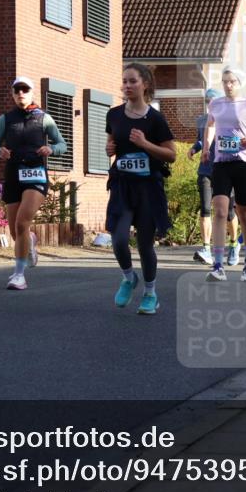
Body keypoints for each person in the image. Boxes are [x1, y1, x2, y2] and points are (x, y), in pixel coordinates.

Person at [105, 63, 176, 315]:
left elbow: (171, 155)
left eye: (132, 81)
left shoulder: (155, 119)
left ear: (145, 84)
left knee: (145, 245)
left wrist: (145, 144)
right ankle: (128, 277)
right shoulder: (114, 115)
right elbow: (111, 143)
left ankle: (150, 293)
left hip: (148, 188)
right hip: (122, 186)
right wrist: (109, 149)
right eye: (124, 81)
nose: (127, 86)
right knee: (119, 239)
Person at [0, 75, 68, 290]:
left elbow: (62, 144)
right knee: (16, 232)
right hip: (13, 174)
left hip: (35, 174)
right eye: (17, 90)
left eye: (25, 90)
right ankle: (30, 240)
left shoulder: (44, 118)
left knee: (22, 223)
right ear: (13, 94)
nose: (21, 94)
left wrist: (51, 149)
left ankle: (19, 275)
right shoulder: (5, 119)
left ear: (32, 93)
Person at [202, 67, 246, 281]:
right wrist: (206, 148)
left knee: (244, 212)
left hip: (243, 163)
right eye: (225, 81)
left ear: (240, 83)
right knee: (220, 211)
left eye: (232, 82)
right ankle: (218, 265)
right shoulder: (216, 104)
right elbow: (210, 125)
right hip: (221, 163)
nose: (228, 85)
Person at [189, 89, 240, 266]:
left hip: (225, 170)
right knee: (205, 209)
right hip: (206, 170)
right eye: (207, 101)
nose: (210, 103)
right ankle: (206, 249)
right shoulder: (202, 120)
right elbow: (201, 140)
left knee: (229, 212)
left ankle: (233, 244)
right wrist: (194, 148)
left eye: (213, 100)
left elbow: (238, 140)